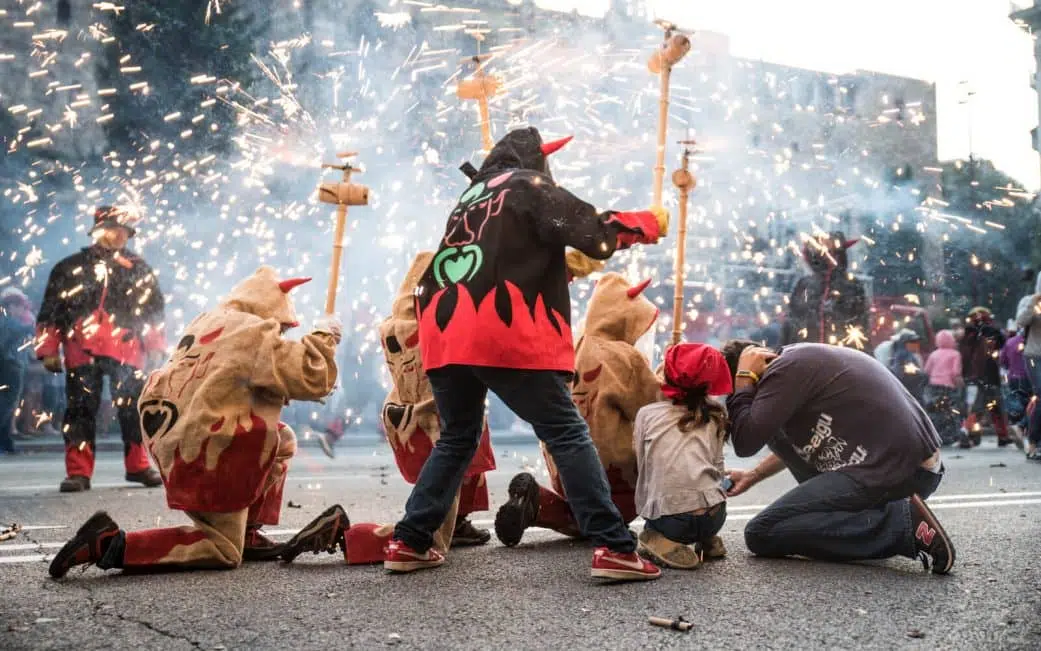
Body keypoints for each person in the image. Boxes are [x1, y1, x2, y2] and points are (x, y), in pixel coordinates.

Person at [384, 127, 666, 582]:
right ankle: (614, 546)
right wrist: (643, 224)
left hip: (443, 329)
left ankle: (410, 540)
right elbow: (592, 231)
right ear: (539, 161)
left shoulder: (471, 195)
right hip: (499, 326)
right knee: (566, 432)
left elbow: (497, 257)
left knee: (458, 436)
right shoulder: (527, 185)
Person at [48, 267, 346, 578]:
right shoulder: (253, 332)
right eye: (283, 326)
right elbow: (311, 376)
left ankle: (246, 531)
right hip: (208, 449)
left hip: (181, 437)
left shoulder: (208, 321)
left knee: (280, 440)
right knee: (223, 550)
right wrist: (324, 337)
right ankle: (110, 544)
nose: (282, 332)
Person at [319, 252, 496, 567]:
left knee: (472, 445)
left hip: (405, 413)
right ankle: (351, 537)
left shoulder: (391, 325)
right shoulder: (436, 322)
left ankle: (461, 524)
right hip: (432, 417)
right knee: (425, 527)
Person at [722, 340, 954, 575]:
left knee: (761, 532)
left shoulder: (782, 371)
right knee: (777, 435)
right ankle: (868, 525)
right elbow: (811, 442)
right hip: (910, 469)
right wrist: (753, 475)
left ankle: (900, 526)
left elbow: (745, 441)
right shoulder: (795, 363)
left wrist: (742, 381)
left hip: (895, 470)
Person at [494, 272, 660, 546]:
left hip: (565, 465)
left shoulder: (572, 343)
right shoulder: (623, 356)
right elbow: (653, 407)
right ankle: (547, 508)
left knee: (583, 504)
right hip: (613, 469)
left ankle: (540, 503)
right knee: (606, 516)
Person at [34, 206, 165, 491]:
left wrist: (155, 346)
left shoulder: (139, 267)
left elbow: (154, 311)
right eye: (115, 229)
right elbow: (51, 310)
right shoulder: (69, 267)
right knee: (80, 410)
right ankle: (78, 473)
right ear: (98, 231)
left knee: (133, 409)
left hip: (128, 349)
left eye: (125, 231)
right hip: (81, 349)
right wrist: (48, 349)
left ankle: (139, 466)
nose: (120, 236)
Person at [633, 343, 731, 570]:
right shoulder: (716, 415)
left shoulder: (647, 415)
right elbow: (718, 468)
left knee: (649, 530)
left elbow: (643, 464)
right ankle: (708, 539)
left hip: (672, 522)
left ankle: (662, 542)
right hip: (716, 517)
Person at [781, 232, 870, 351]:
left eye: (832, 252)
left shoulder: (852, 285)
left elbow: (860, 327)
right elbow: (791, 325)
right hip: (806, 357)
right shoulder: (804, 285)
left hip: (841, 356)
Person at [958, 307, 1010, 448]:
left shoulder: (967, 334)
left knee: (981, 406)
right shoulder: (988, 332)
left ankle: (968, 430)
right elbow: (1001, 342)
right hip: (988, 374)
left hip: (974, 375)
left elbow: (964, 356)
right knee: (991, 406)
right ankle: (1001, 435)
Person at [0, 288, 35, 454]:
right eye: (20, 306)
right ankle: (4, 442)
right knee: (6, 406)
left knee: (8, 405)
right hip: (8, 367)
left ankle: (6, 443)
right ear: (11, 306)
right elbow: (24, 329)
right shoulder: (7, 321)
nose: (23, 310)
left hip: (9, 367)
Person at [923, 330, 964, 446]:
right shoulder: (955, 354)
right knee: (950, 412)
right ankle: (951, 437)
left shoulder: (933, 354)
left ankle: (936, 436)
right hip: (948, 387)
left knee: (935, 411)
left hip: (934, 387)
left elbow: (926, 371)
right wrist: (960, 385)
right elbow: (956, 372)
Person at [999, 329, 1031, 444]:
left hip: (1013, 377)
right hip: (1030, 378)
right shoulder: (1032, 342)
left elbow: (1002, 360)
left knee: (1018, 404)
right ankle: (1023, 427)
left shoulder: (1010, 342)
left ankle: (1020, 427)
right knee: (1032, 405)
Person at [888, 329, 926, 403]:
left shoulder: (906, 353)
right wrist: (922, 375)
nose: (916, 344)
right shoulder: (904, 355)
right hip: (910, 391)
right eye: (913, 342)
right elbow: (907, 371)